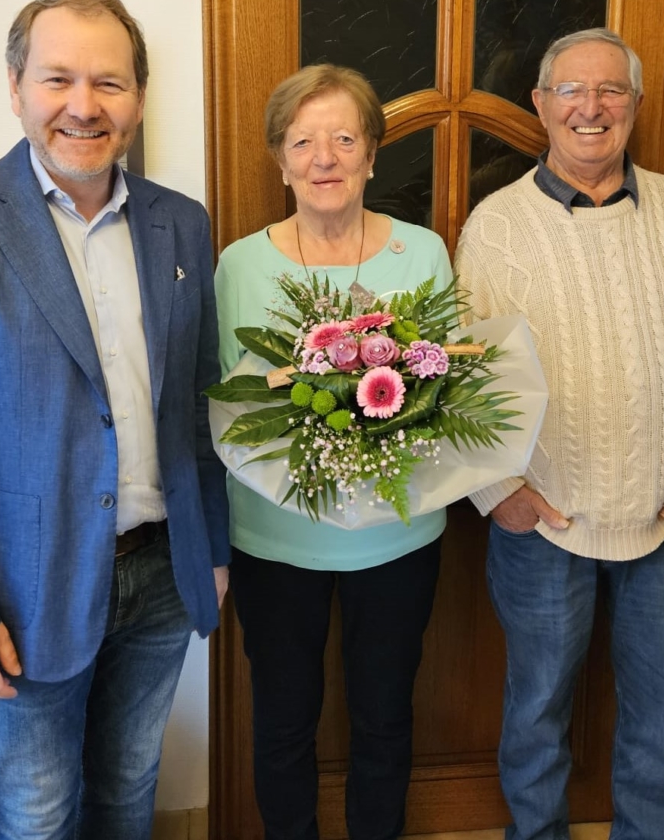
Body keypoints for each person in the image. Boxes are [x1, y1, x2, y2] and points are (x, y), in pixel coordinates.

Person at [0, 0, 229, 840]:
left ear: (138, 100)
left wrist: (209, 549)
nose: (83, 106)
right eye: (57, 79)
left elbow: (196, 398)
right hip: (24, 591)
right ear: (15, 87)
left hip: (160, 580)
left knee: (126, 794)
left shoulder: (181, 225)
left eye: (108, 83)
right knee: (37, 817)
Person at [455, 28, 664, 840]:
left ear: (637, 105)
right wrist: (497, 491)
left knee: (660, 710)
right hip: (542, 519)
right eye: (572, 91)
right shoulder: (498, 223)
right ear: (542, 106)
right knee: (538, 704)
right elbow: (461, 366)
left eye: (612, 90)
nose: (593, 107)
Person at [215, 64, 452, 840]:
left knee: (385, 716)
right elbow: (223, 402)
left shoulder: (420, 253)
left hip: (397, 535)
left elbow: (449, 388)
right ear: (280, 160)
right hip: (273, 541)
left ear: (373, 156)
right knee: (284, 722)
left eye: (344, 138)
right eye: (303, 141)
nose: (325, 157)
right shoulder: (240, 265)